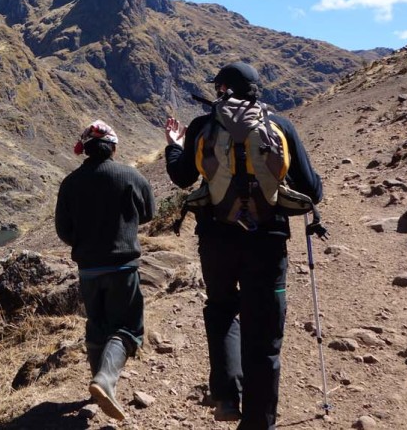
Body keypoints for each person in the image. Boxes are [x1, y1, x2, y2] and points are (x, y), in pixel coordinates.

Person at [164, 62, 323, 430]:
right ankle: (257, 423)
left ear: (221, 89)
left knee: (221, 310)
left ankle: (226, 395)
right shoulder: (280, 126)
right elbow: (312, 190)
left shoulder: (204, 126)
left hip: (216, 241)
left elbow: (181, 176)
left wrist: (174, 147)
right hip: (268, 243)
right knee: (264, 338)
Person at [55, 119, 156, 421]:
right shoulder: (130, 176)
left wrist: (85, 244)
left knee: (97, 324)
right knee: (127, 327)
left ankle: (96, 385)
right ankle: (105, 380)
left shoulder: (70, 183)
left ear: (85, 149)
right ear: (112, 147)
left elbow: (63, 229)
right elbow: (149, 213)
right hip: (122, 266)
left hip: (88, 269)